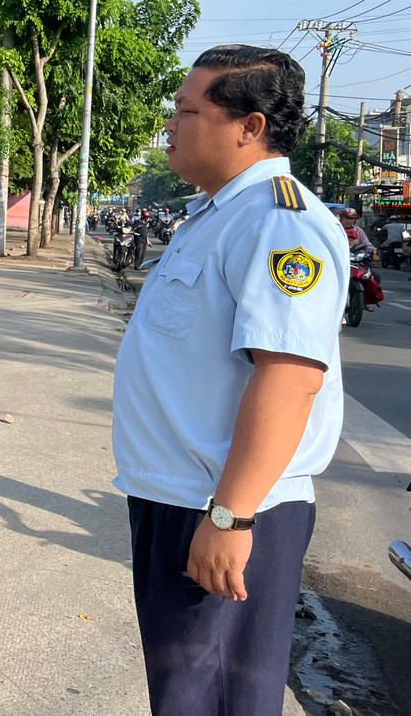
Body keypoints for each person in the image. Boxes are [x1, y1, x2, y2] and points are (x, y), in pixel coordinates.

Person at [111, 45, 347, 716]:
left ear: (250, 125)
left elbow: (290, 378)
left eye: (187, 111)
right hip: (178, 496)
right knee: (185, 692)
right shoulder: (217, 214)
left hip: (226, 506)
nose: (171, 125)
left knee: (212, 697)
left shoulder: (278, 222)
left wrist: (230, 513)